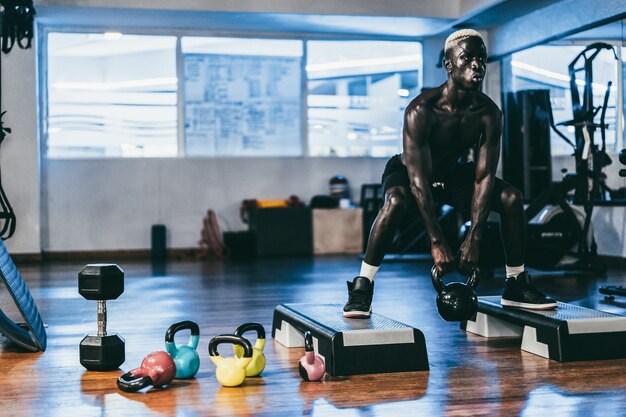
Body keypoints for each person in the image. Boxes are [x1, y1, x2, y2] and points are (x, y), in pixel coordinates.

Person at [343, 29, 557, 318]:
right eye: (467, 58)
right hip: (409, 173)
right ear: (449, 64)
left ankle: (516, 283)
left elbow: (483, 178)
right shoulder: (421, 109)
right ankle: (363, 286)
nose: (476, 65)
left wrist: (474, 237)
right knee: (395, 202)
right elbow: (419, 181)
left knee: (510, 197)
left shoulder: (489, 114)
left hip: (451, 174)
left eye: (481, 59)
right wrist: (437, 241)